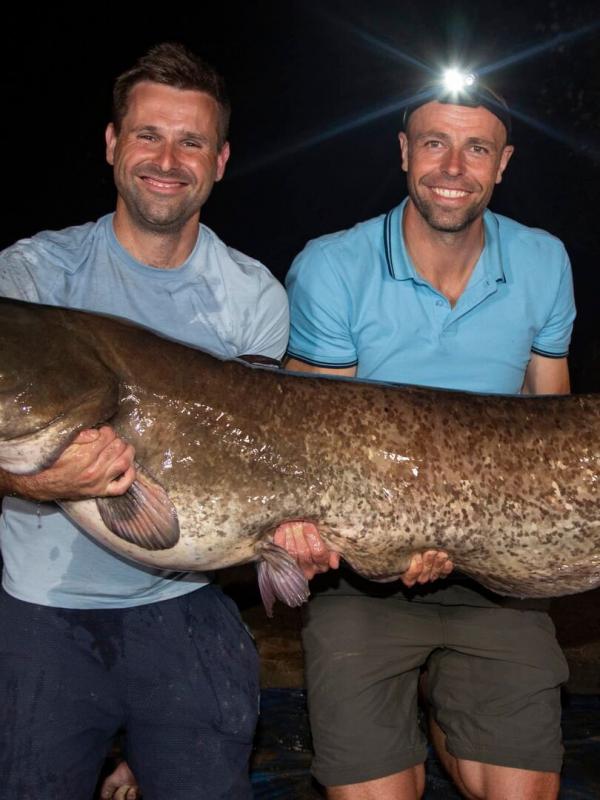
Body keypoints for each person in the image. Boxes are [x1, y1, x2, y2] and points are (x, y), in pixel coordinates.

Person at [0, 42, 288, 800]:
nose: (167, 159)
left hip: (186, 605)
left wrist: (295, 535)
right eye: (148, 134)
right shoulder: (32, 279)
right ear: (111, 143)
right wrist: (33, 482)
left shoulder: (253, 295)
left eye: (191, 141)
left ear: (220, 161)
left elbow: (274, 466)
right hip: (42, 612)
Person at [278, 76, 575, 800]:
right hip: (360, 577)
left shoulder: (543, 262)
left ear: (503, 163)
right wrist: (398, 536)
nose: (453, 167)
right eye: (435, 143)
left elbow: (553, 433)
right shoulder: (333, 266)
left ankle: (448, 712)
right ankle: (420, 700)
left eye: (477, 148)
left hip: (498, 573)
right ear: (404, 151)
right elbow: (312, 450)